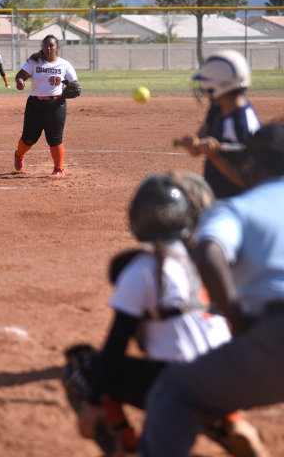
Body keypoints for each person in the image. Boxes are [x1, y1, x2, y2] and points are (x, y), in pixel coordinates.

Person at [63, 171, 269, 457]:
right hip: (230, 376)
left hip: (178, 381)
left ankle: (126, 443)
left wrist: (94, 402)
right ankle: (229, 419)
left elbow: (116, 343)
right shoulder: (209, 261)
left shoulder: (143, 270)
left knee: (82, 365)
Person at [140, 124, 284, 457]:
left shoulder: (237, 208)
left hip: (275, 334)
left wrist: (235, 316)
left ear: (253, 165)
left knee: (174, 390)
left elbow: (208, 252)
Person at [178, 50, 260, 198]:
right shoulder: (218, 107)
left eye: (204, 82)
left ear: (218, 84)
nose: (202, 87)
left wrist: (214, 155)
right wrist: (193, 143)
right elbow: (197, 148)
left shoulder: (242, 124)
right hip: (216, 195)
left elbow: (248, 180)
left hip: (236, 203)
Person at [14, 34, 81, 177]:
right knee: (29, 138)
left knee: (55, 138)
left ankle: (58, 169)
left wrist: (75, 88)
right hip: (35, 104)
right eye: (45, 45)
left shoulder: (65, 64)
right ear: (42, 47)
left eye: (51, 45)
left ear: (57, 48)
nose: (48, 48)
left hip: (56, 104)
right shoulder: (34, 62)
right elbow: (20, 74)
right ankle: (19, 156)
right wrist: (20, 81)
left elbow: (76, 84)